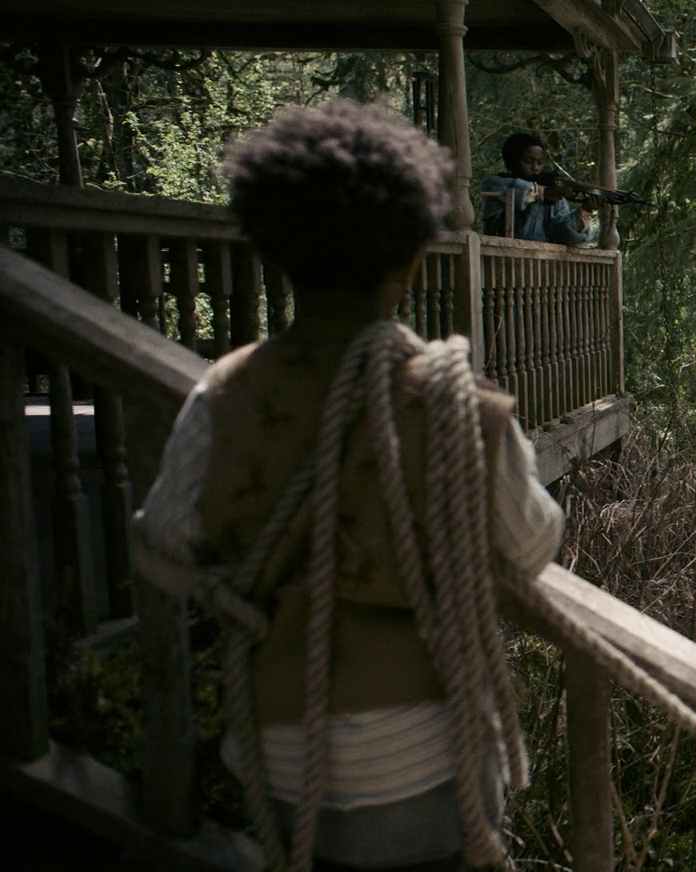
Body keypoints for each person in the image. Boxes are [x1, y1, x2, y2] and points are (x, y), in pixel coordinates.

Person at [130, 101, 564, 871]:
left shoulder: (224, 394)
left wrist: (232, 589)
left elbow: (162, 543)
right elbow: (530, 543)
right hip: (428, 751)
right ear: (411, 264)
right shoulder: (457, 401)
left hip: (281, 746)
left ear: (281, 255)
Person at [480, 132, 600, 245]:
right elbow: (513, 190)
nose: (536, 167)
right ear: (510, 162)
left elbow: (564, 234)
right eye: (528, 161)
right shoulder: (494, 184)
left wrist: (584, 212)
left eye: (540, 163)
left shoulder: (552, 196)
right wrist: (542, 193)